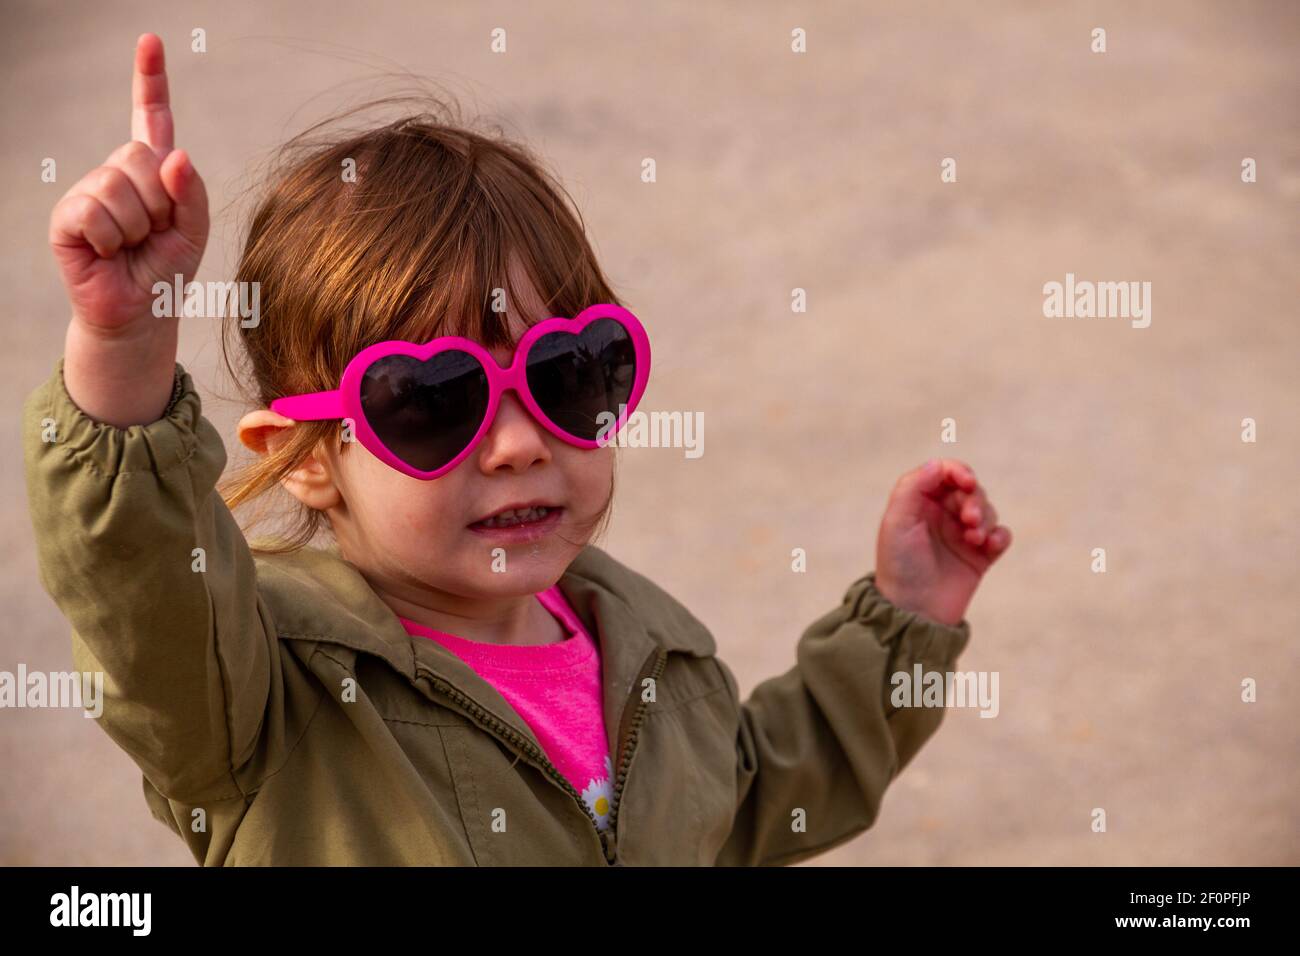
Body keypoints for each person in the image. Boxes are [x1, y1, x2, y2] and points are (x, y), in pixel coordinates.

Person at [23, 33, 1012, 865]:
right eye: (431, 399)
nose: (514, 444)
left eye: (568, 370)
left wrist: (901, 625)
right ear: (310, 454)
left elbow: (744, 803)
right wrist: (125, 343)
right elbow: (140, 585)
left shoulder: (638, 644)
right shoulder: (257, 692)